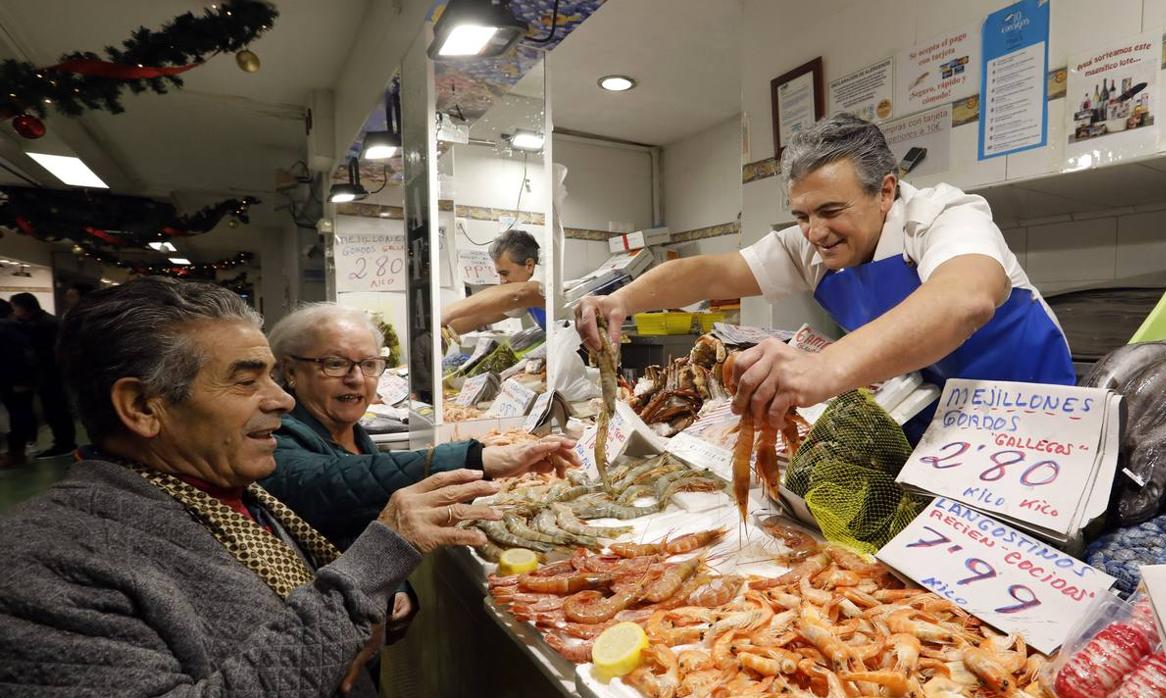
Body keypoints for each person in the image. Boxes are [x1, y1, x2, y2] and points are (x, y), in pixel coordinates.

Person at [0, 277, 500, 695]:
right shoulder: (42, 563)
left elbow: (325, 590)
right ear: (142, 407)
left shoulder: (233, 491)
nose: (282, 400)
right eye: (246, 381)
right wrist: (375, 568)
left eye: (370, 364)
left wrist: (375, 603)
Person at [577, 113, 1073, 441]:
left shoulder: (944, 214)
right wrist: (621, 299)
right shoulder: (810, 247)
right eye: (800, 215)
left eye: (832, 210)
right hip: (933, 426)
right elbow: (712, 273)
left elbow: (964, 300)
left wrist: (825, 368)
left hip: (1031, 421)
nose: (815, 232)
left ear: (885, 192)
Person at [261, 301, 577, 553]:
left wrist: (398, 590)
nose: (357, 378)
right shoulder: (274, 438)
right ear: (291, 371)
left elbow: (368, 522)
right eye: (335, 363)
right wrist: (477, 459)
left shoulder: (353, 433)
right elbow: (333, 483)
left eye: (369, 364)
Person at [10, 292, 77, 457]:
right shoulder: (45, 322)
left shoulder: (43, 325)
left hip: (51, 376)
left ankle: (64, 444)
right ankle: (64, 442)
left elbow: (43, 355)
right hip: (53, 375)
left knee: (56, 410)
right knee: (57, 410)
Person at [442, 229, 546, 333]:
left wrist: (447, 312)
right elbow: (481, 317)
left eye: (505, 273)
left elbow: (518, 293)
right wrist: (440, 330)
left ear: (529, 265)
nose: (502, 281)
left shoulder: (544, 281)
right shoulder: (521, 298)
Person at [0, 298, 37, 469]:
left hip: (14, 381)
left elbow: (16, 357)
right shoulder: (18, 327)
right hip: (20, 380)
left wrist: (20, 379)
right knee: (20, 414)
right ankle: (18, 451)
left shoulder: (6, 329)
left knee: (17, 416)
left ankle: (16, 453)